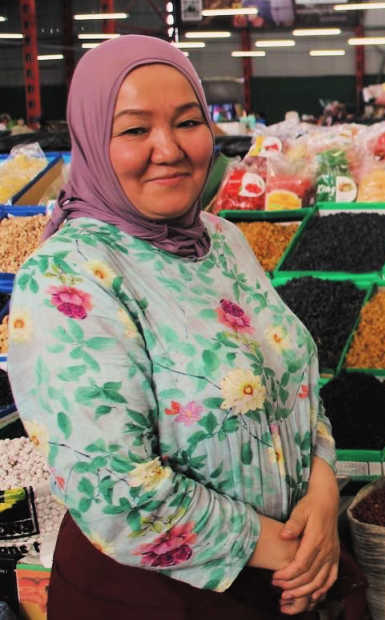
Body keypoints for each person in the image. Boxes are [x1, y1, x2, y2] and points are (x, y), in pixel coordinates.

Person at [9, 36, 349, 619]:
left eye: (187, 122)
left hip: (285, 576)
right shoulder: (67, 276)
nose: (167, 149)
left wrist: (323, 487)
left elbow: (290, 376)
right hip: (158, 596)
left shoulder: (222, 240)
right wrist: (292, 550)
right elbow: (113, 487)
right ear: (92, 139)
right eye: (135, 130)